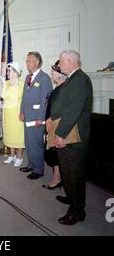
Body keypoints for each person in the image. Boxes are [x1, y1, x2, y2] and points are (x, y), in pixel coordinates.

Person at [50, 50, 93, 225]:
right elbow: (63, 104)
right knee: (69, 172)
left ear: (70, 62)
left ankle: (77, 212)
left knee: (73, 173)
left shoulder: (80, 80)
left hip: (72, 136)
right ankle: (73, 198)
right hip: (68, 132)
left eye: (60, 62)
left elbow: (73, 109)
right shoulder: (73, 79)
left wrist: (60, 134)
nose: (59, 65)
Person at [19, 52, 53, 179]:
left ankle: (38, 170)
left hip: (37, 116)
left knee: (37, 143)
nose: (27, 63)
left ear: (37, 62)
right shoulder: (28, 77)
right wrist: (21, 111)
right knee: (29, 142)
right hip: (27, 114)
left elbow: (45, 100)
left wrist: (41, 117)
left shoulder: (44, 78)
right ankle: (31, 164)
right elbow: (24, 97)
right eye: (27, 60)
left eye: (29, 60)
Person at [42, 60, 67, 190]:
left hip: (55, 125)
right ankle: (58, 177)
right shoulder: (58, 88)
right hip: (51, 124)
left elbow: (61, 110)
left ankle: (57, 178)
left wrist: (51, 120)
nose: (51, 73)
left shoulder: (63, 89)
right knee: (52, 152)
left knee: (54, 153)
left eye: (53, 71)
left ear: (58, 75)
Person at [2, 62, 24, 167]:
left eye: (10, 71)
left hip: (17, 113)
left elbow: (25, 100)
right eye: (8, 70)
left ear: (16, 72)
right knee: (9, 134)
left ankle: (19, 157)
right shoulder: (5, 83)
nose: (8, 72)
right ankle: (12, 155)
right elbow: (3, 96)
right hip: (7, 113)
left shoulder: (22, 84)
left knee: (18, 135)